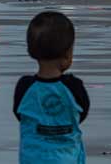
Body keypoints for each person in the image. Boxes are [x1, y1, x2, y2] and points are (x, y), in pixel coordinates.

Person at [13, 11, 89, 164]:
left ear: (30, 51)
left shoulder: (25, 86)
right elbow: (82, 112)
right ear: (68, 54)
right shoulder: (73, 87)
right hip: (68, 158)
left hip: (32, 158)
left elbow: (20, 114)